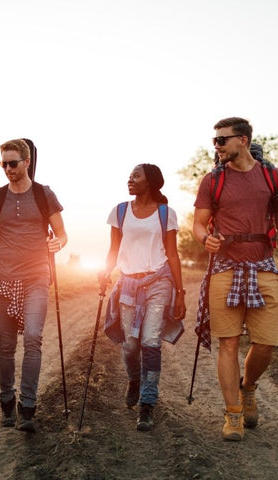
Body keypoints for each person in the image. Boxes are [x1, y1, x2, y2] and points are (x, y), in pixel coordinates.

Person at [0, 139, 67, 433]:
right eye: (3, 164)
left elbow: (62, 234)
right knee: (7, 345)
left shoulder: (43, 194)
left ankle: (28, 407)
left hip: (36, 276)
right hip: (4, 278)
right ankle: (6, 402)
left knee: (33, 338)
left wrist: (57, 243)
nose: (8, 169)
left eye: (13, 163)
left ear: (26, 162)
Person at [193, 117, 278, 441]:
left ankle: (249, 386)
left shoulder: (271, 177)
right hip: (225, 268)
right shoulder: (212, 181)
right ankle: (233, 415)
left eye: (222, 140)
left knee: (267, 343)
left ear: (242, 140)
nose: (216, 146)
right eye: (215, 141)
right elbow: (199, 224)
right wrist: (205, 239)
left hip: (264, 267)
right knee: (227, 343)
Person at [101, 163, 186, 431]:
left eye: (136, 175)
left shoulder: (165, 214)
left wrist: (180, 293)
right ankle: (134, 380)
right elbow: (113, 249)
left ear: (150, 181)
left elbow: (172, 253)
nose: (130, 179)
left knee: (150, 340)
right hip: (128, 284)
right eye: (130, 176)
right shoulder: (120, 211)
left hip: (158, 281)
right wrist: (105, 272)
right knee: (130, 345)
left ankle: (148, 403)